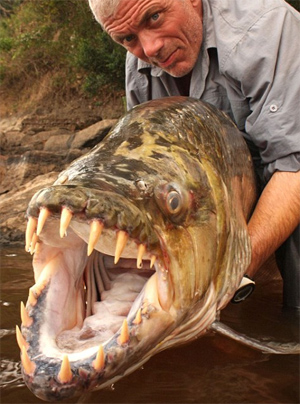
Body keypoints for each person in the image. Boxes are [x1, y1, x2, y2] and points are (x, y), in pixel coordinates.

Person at [88, 0, 300, 310]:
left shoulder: (266, 27)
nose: (150, 49)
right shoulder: (138, 66)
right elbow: (146, 173)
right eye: (128, 39)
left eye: (155, 17)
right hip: (229, 184)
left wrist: (228, 278)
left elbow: (294, 166)